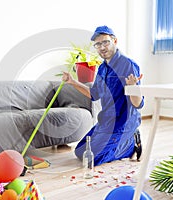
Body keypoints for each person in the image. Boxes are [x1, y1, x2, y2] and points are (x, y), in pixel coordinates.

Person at [62, 25, 144, 166]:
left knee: (93, 159)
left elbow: (138, 104)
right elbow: (94, 95)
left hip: (123, 123)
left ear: (115, 41)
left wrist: (133, 88)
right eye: (98, 44)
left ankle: (130, 145)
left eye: (105, 42)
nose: (102, 47)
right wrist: (72, 82)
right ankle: (121, 143)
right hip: (106, 121)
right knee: (80, 152)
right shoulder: (102, 68)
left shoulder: (128, 65)